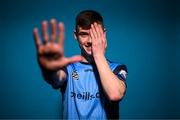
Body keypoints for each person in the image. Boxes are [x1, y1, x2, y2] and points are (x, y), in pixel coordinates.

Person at [33, 10, 128, 119]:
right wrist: (48, 69)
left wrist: (98, 55)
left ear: (104, 34)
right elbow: (56, 79)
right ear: (75, 36)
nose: (89, 41)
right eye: (84, 34)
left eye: (95, 34)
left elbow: (115, 94)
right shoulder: (70, 69)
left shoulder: (116, 68)